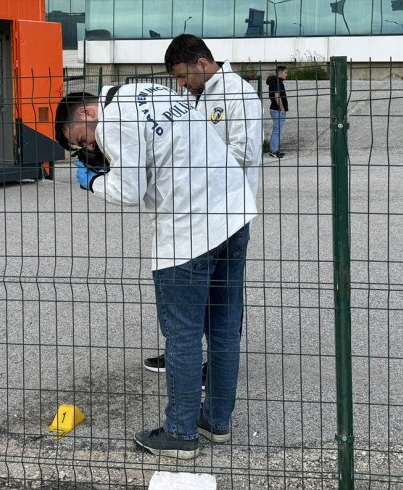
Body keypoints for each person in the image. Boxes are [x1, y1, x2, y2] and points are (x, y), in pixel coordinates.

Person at [54, 84, 256, 459]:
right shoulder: (145, 91)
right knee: (224, 328)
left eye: (83, 140)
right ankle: (216, 422)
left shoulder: (111, 121)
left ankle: (180, 434)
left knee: (182, 334)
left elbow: (129, 191)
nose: (90, 148)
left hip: (188, 231)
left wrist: (94, 181)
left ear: (85, 113)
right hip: (234, 211)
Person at [142, 34, 263, 375]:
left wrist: (190, 165)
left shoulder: (238, 94)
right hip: (192, 214)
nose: (180, 84)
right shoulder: (194, 97)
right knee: (186, 290)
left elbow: (244, 154)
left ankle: (216, 365)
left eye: (182, 75)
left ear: (202, 64)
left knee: (222, 297)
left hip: (227, 213)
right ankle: (184, 353)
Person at [266, 65, 289, 158]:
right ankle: (274, 151)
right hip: (277, 110)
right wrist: (282, 109)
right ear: (280, 73)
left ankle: (274, 150)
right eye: (285, 73)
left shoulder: (276, 81)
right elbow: (277, 96)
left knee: (277, 130)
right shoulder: (277, 82)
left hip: (275, 109)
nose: (286, 75)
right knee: (277, 131)